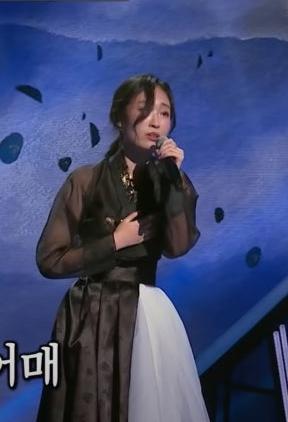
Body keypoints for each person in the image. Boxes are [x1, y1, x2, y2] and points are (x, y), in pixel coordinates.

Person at [35, 73, 210, 422]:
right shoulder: (85, 180)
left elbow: (178, 246)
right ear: (119, 117)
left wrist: (173, 180)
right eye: (144, 110)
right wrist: (115, 242)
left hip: (147, 312)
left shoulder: (173, 181)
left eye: (164, 113)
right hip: (90, 314)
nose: (155, 122)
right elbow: (49, 259)